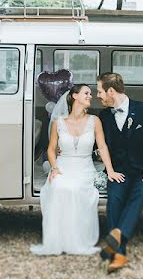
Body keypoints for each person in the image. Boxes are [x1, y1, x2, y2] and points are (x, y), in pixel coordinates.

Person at [30, 84, 124, 256]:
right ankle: (58, 240)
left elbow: (102, 147)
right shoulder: (58, 122)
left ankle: (78, 241)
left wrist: (110, 170)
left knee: (76, 189)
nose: (90, 96)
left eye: (91, 94)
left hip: (84, 168)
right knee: (58, 187)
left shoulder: (95, 121)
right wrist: (55, 167)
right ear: (74, 96)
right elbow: (51, 149)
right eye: (86, 93)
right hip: (63, 166)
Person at [96, 72, 143, 273]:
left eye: (100, 91)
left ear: (111, 91)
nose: (98, 96)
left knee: (139, 195)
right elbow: (100, 146)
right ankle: (119, 251)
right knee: (115, 200)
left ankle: (115, 243)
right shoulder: (104, 116)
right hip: (118, 172)